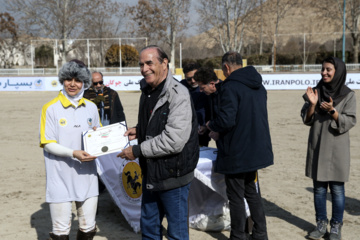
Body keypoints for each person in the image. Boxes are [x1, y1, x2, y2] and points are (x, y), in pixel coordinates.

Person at [117, 45, 199, 240]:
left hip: (174, 177)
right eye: (141, 64)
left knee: (176, 234)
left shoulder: (178, 94)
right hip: (151, 173)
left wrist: (137, 151)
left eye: (149, 63)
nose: (144, 69)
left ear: (164, 63)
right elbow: (157, 121)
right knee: (150, 230)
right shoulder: (147, 90)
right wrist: (139, 130)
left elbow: (173, 141)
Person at [206, 51, 273, 240]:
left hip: (237, 151)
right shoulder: (259, 85)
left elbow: (226, 119)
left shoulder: (230, 87)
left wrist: (211, 125)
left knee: (236, 197)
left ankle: (238, 236)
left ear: (226, 67)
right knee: (252, 192)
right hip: (255, 149)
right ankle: (260, 233)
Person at [39, 60, 101, 240]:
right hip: (60, 178)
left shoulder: (91, 107)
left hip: (87, 176)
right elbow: (47, 143)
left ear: (84, 82)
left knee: (88, 228)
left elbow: (98, 137)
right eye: (68, 79)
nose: (72, 84)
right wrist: (73, 153)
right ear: (62, 80)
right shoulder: (50, 108)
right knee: (60, 231)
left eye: (77, 80)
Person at [301, 56, 356, 240]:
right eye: (323, 69)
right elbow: (306, 119)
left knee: (337, 190)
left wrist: (333, 111)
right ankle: (320, 224)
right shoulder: (315, 91)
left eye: (328, 70)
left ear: (337, 71)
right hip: (317, 145)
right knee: (319, 189)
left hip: (337, 149)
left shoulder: (349, 94)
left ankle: (336, 227)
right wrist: (312, 105)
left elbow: (350, 121)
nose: (324, 72)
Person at [84, 71, 126, 193]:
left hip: (111, 131)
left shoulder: (112, 94)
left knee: (111, 159)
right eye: (95, 83)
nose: (98, 85)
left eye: (100, 82)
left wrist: (122, 130)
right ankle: (98, 186)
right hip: (94, 134)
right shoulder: (85, 95)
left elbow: (120, 113)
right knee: (96, 161)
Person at [180, 62, 211, 146]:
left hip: (203, 133)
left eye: (195, 77)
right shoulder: (180, 87)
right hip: (184, 133)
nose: (193, 81)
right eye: (189, 79)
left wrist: (205, 125)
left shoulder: (209, 85)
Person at [193, 67, 221, 141]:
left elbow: (228, 120)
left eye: (203, 88)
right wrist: (205, 127)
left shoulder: (225, 94)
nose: (201, 91)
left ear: (212, 84)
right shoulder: (210, 94)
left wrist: (219, 132)